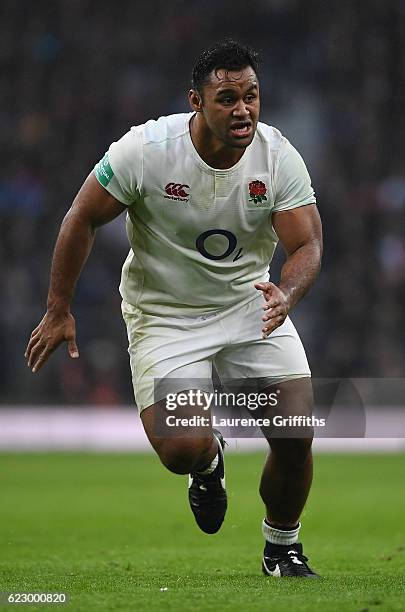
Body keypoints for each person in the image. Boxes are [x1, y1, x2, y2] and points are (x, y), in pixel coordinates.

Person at [25, 40, 322, 578]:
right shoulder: (146, 149)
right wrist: (58, 308)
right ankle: (208, 463)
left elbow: (307, 246)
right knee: (181, 448)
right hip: (165, 315)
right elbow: (82, 216)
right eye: (227, 97)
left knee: (296, 430)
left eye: (251, 96)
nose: (243, 110)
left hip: (250, 305)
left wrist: (288, 292)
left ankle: (282, 547)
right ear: (196, 101)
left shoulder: (278, 156)